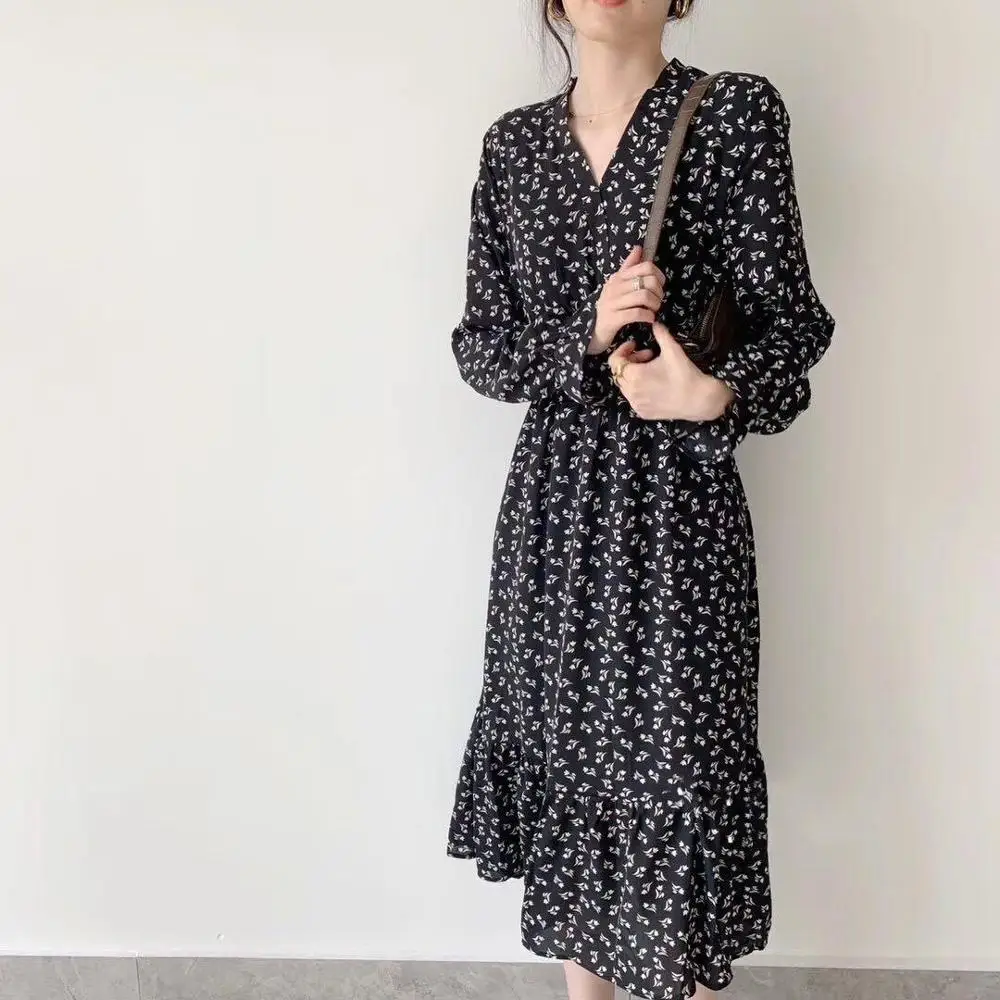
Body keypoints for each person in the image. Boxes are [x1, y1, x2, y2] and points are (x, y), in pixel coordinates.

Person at [445, 1, 835, 998]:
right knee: (570, 763)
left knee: (681, 771)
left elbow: (792, 324)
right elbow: (480, 347)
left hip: (679, 514)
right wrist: (584, 334)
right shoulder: (513, 148)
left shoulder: (734, 114)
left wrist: (712, 395)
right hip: (552, 514)